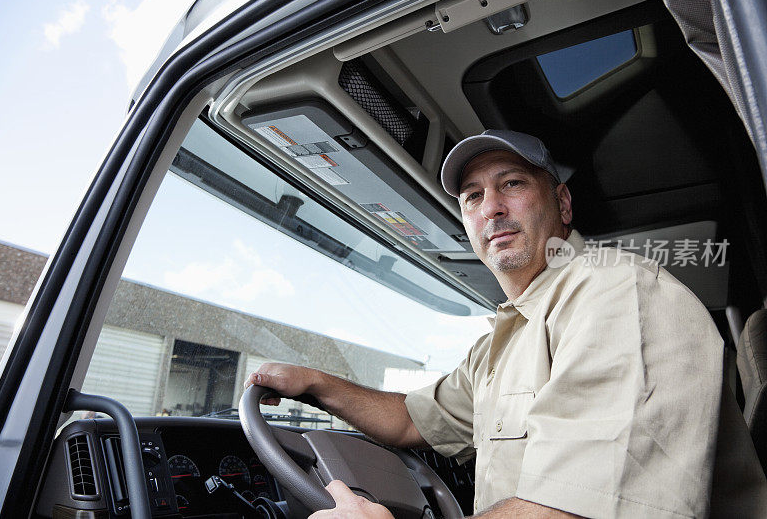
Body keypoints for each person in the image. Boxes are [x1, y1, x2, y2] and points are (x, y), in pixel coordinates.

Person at [245, 130, 767, 518]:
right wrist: (315, 385)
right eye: (473, 196)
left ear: (562, 204)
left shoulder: (616, 294)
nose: (491, 208)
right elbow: (410, 420)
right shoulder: (503, 340)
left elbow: (576, 510)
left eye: (512, 184)